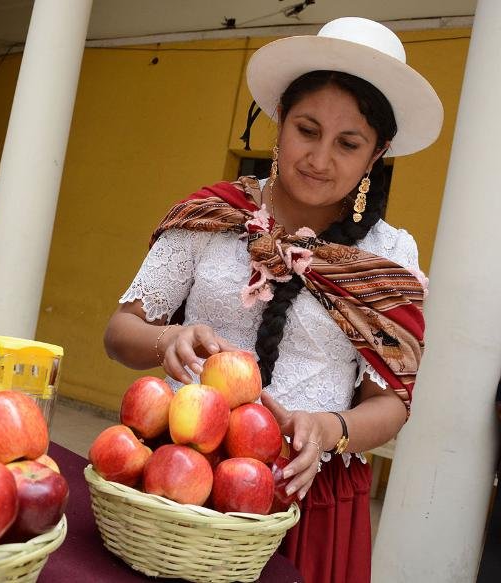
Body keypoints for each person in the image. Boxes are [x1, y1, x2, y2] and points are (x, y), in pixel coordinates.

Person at [103, 17, 443, 583]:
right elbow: (121, 333)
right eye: (307, 129)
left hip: (302, 493)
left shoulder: (390, 257)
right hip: (180, 469)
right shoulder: (211, 217)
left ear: (376, 154)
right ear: (281, 122)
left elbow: (390, 405)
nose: (320, 158)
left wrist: (331, 429)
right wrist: (169, 339)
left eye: (348, 144)